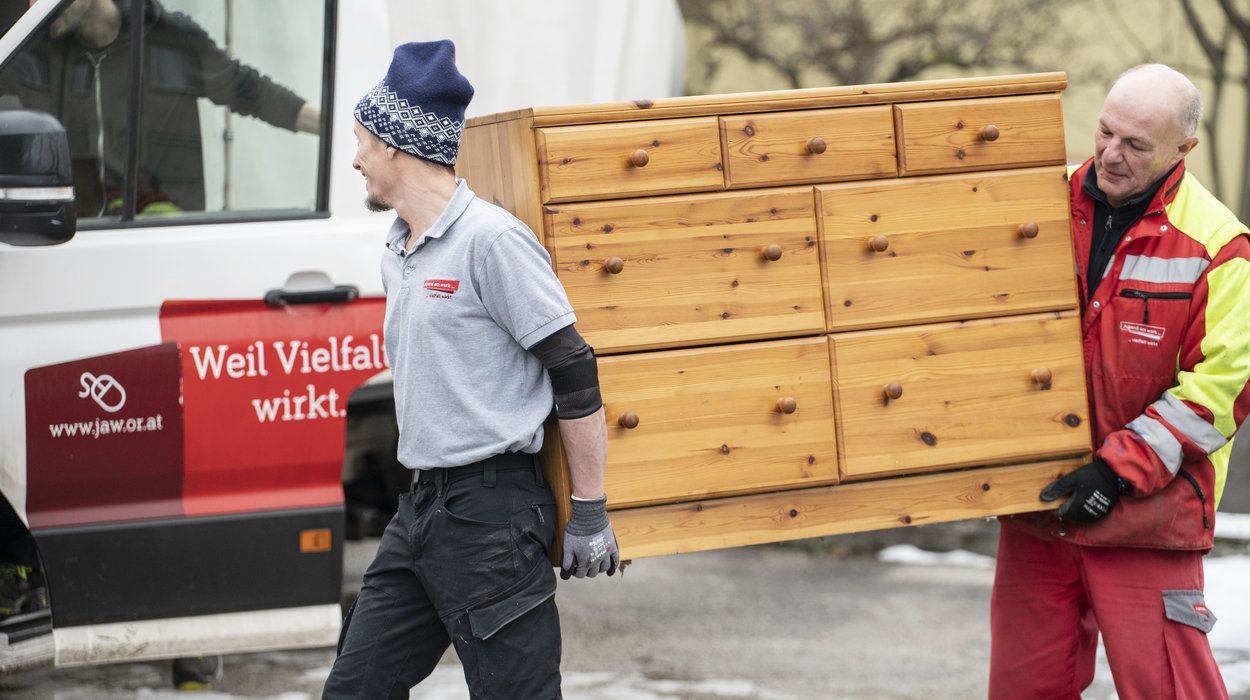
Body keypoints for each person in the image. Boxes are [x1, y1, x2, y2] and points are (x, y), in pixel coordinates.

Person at [322, 40, 619, 699]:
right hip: (423, 505)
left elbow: (572, 366)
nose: (355, 158)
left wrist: (591, 510)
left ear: (397, 145)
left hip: (495, 517)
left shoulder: (492, 240)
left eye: (362, 140)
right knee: (354, 690)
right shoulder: (398, 249)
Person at [989, 63, 1250, 699]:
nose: (1110, 153)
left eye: (1136, 145)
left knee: (1168, 690)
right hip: (1038, 508)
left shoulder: (1219, 245)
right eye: (1106, 132)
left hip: (1147, 519)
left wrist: (1116, 471)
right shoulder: (1036, 208)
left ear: (1182, 150)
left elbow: (1223, 389)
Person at [0, 0, 319, 216]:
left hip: (161, 234)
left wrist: (346, 128)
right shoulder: (30, 51)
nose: (32, 5)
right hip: (73, 238)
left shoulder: (170, 40)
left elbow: (250, 91)